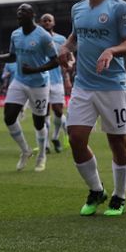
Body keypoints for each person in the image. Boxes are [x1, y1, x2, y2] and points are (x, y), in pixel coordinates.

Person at [57, 0, 126, 217]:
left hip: (112, 86)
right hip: (83, 85)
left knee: (118, 145)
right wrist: (65, 48)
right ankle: (96, 190)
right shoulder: (78, 9)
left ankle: (120, 196)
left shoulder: (119, 8)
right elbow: (75, 36)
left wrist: (112, 50)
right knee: (76, 139)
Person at [0, 4, 59, 172]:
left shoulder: (43, 36)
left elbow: (55, 60)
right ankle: (25, 150)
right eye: (17, 14)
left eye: (22, 13)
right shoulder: (15, 34)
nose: (18, 16)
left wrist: (35, 70)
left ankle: (42, 156)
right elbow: (12, 56)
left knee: (39, 123)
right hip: (19, 81)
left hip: (39, 83)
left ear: (32, 15)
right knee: (9, 117)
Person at [40, 13, 74, 152]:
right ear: (40, 23)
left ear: (53, 23)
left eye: (49, 20)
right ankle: (46, 143)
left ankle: (55, 136)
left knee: (59, 112)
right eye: (44, 20)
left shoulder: (61, 39)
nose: (47, 22)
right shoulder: (37, 39)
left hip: (57, 80)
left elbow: (70, 58)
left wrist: (68, 72)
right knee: (44, 113)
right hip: (41, 80)